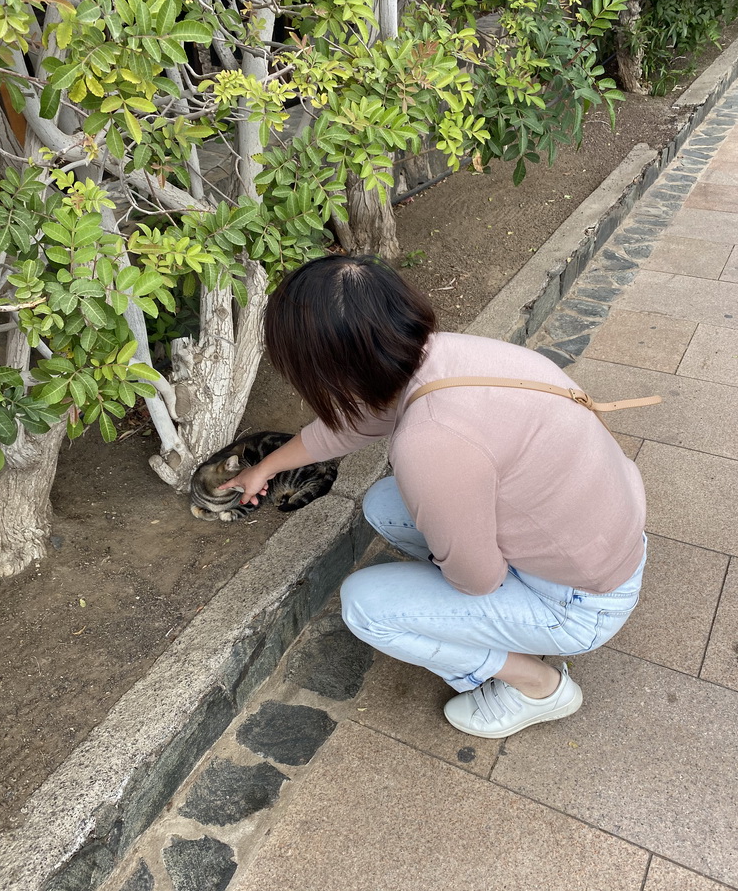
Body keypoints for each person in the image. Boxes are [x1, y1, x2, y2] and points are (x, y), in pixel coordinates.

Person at [220, 254, 648, 739]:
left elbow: (479, 579)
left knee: (366, 605)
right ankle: (485, 611)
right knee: (385, 503)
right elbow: (356, 423)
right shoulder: (446, 356)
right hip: (604, 540)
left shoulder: (431, 441)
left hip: (582, 602)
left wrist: (456, 564)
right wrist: (265, 468)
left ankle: (538, 686)